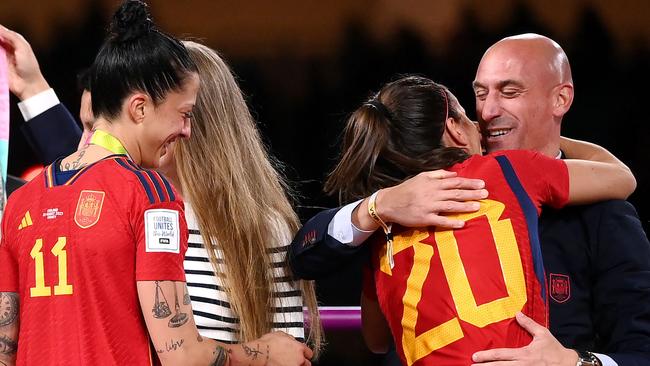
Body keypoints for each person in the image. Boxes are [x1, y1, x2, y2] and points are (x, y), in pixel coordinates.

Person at [288, 34, 650, 366]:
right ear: (453, 128)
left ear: (561, 99)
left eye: (509, 92)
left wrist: (575, 362)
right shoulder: (395, 208)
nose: (487, 112)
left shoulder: (604, 216)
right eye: (479, 95)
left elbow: (642, 352)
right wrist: (376, 206)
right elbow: (303, 254)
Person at [0, 1, 312, 365]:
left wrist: (34, 88)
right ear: (140, 108)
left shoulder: (23, 202)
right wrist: (265, 354)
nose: (186, 128)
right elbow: (182, 356)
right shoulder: (150, 194)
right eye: (183, 114)